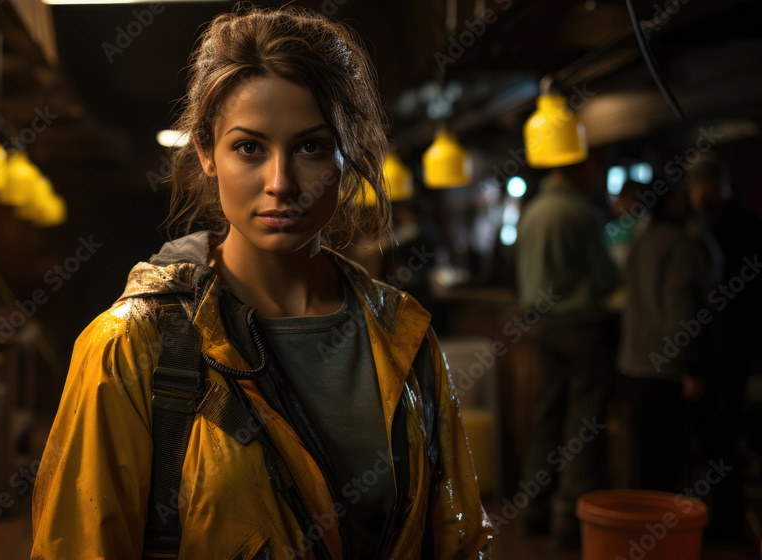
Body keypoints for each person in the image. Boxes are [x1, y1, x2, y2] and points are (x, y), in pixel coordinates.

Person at [30, 7, 493, 560]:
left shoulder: (403, 336)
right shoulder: (131, 348)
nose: (280, 183)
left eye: (310, 146)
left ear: (349, 156)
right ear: (205, 151)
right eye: (249, 147)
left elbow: (457, 539)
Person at [515, 158, 619, 547]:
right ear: (576, 171)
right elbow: (608, 278)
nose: (596, 178)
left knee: (546, 418)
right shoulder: (581, 213)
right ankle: (569, 522)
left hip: (542, 329)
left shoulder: (532, 213)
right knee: (584, 425)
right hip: (584, 328)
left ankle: (534, 511)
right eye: (593, 170)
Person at [616, 179, 712, 493]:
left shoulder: (641, 240)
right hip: (667, 363)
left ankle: (643, 528)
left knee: (643, 458)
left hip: (634, 360)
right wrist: (691, 364)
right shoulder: (679, 241)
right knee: (667, 460)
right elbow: (680, 305)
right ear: (671, 201)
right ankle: (665, 532)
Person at [685, 155, 762, 542]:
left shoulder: (712, 228)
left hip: (721, 349)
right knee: (725, 434)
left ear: (709, 185)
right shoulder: (749, 222)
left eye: (695, 188)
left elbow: (705, 293)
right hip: (744, 346)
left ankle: (728, 519)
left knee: (717, 435)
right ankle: (730, 516)